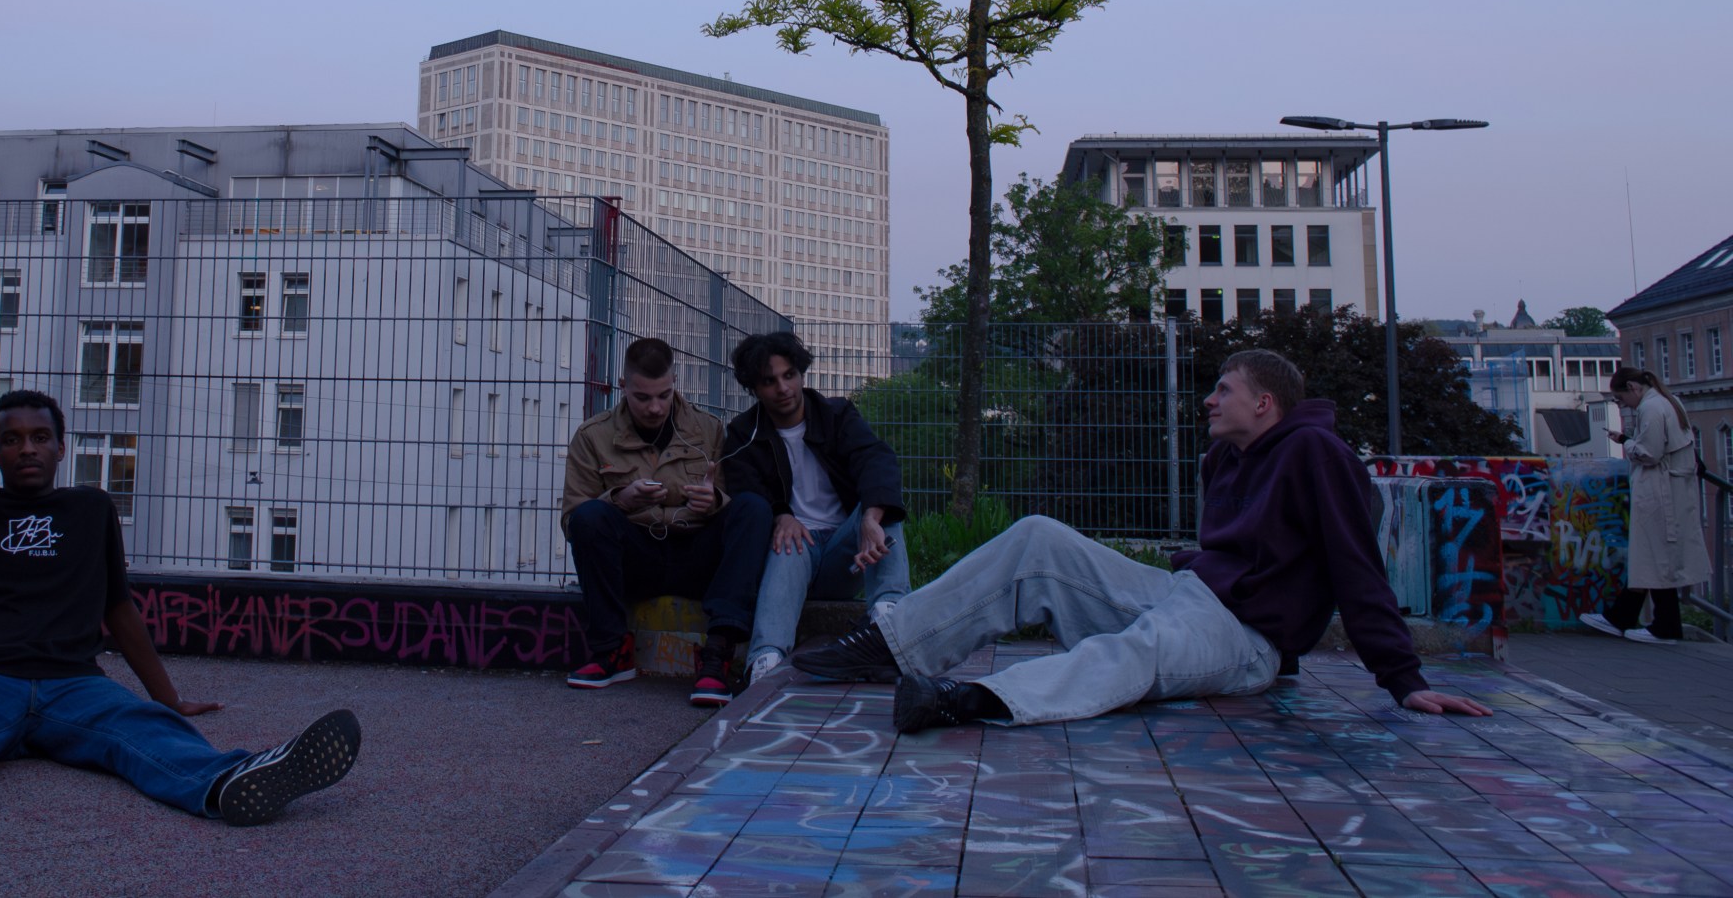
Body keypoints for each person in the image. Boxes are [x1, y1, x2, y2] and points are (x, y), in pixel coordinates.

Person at [792, 350, 1493, 731]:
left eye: (1224, 390)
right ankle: (893, 646)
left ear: (1265, 404)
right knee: (1038, 538)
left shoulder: (1316, 454)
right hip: (1188, 597)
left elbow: (1357, 569)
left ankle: (971, 700)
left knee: (1141, 651)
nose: (1209, 401)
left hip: (1245, 640)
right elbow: (1219, 564)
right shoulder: (1225, 459)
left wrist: (1405, 682)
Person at [0, 390, 360, 841]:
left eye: (39, 437)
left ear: (61, 446)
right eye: (11, 440)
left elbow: (119, 609)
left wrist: (168, 698)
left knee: (143, 728)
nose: (26, 448)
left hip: (74, 684)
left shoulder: (90, 509)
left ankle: (228, 780)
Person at [560, 337, 770, 706]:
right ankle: (612, 651)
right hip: (636, 559)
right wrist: (619, 499)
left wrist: (714, 501)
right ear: (624, 387)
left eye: (664, 395)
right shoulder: (592, 436)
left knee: (753, 508)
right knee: (590, 517)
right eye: (643, 398)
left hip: (698, 556)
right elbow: (572, 518)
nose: (655, 407)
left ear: (675, 384)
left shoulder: (709, 429)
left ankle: (717, 653)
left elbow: (730, 503)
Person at [720, 331, 909, 682]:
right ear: (754, 388)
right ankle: (765, 663)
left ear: (801, 373)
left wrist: (870, 516)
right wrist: (782, 515)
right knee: (787, 541)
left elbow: (875, 459)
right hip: (796, 553)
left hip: (844, 553)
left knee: (884, 514)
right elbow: (746, 489)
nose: (783, 388)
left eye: (789, 375)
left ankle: (889, 619)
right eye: (769, 381)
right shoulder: (743, 432)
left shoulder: (836, 414)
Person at [1580, 365, 1710, 644]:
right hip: (1673, 487)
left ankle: (1658, 625)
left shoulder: (1650, 409)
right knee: (1654, 556)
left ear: (1633, 388)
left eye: (1620, 398)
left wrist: (1626, 442)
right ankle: (1632, 618)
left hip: (1659, 489)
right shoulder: (1669, 402)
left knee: (1654, 556)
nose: (1621, 404)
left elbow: (1649, 454)